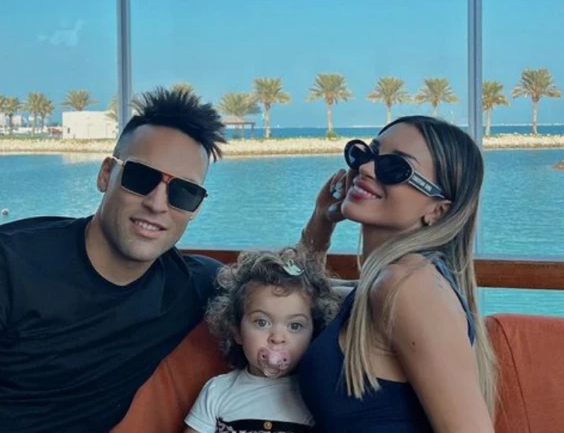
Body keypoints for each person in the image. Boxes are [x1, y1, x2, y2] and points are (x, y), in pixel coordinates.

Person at [0, 87, 227, 433]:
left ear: (196, 208)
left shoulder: (196, 285)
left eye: (184, 192)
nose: (157, 204)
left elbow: (279, 294)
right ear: (106, 174)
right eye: (140, 177)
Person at [297, 116, 497, 432]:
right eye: (365, 153)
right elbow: (294, 293)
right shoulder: (383, 282)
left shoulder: (407, 286)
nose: (366, 168)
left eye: (395, 168)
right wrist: (322, 219)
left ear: (437, 210)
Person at [184, 247, 340, 433]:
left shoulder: (319, 394)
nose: (277, 338)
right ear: (237, 331)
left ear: (314, 334)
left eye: (295, 326)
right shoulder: (217, 390)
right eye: (262, 322)